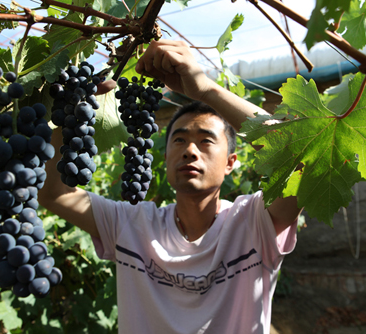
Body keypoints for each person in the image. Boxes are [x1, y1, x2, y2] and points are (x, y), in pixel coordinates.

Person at [38, 39, 302, 334]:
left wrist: (205, 88)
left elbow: (302, 161)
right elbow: (54, 194)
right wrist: (71, 111)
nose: (190, 150)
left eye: (206, 140)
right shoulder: (131, 225)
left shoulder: (254, 223)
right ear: (164, 157)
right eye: (179, 140)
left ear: (231, 162)